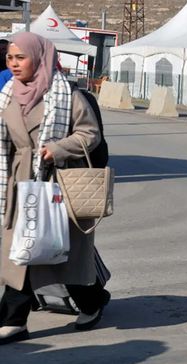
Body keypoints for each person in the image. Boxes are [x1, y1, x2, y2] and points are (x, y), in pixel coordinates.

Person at [0, 32, 110, 345]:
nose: (14, 63)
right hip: (18, 182)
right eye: (10, 57)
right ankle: (13, 320)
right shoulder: (9, 92)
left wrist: (57, 149)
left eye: (21, 57)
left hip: (54, 183)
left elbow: (90, 136)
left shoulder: (67, 94)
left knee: (59, 254)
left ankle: (92, 300)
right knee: (19, 253)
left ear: (39, 56)